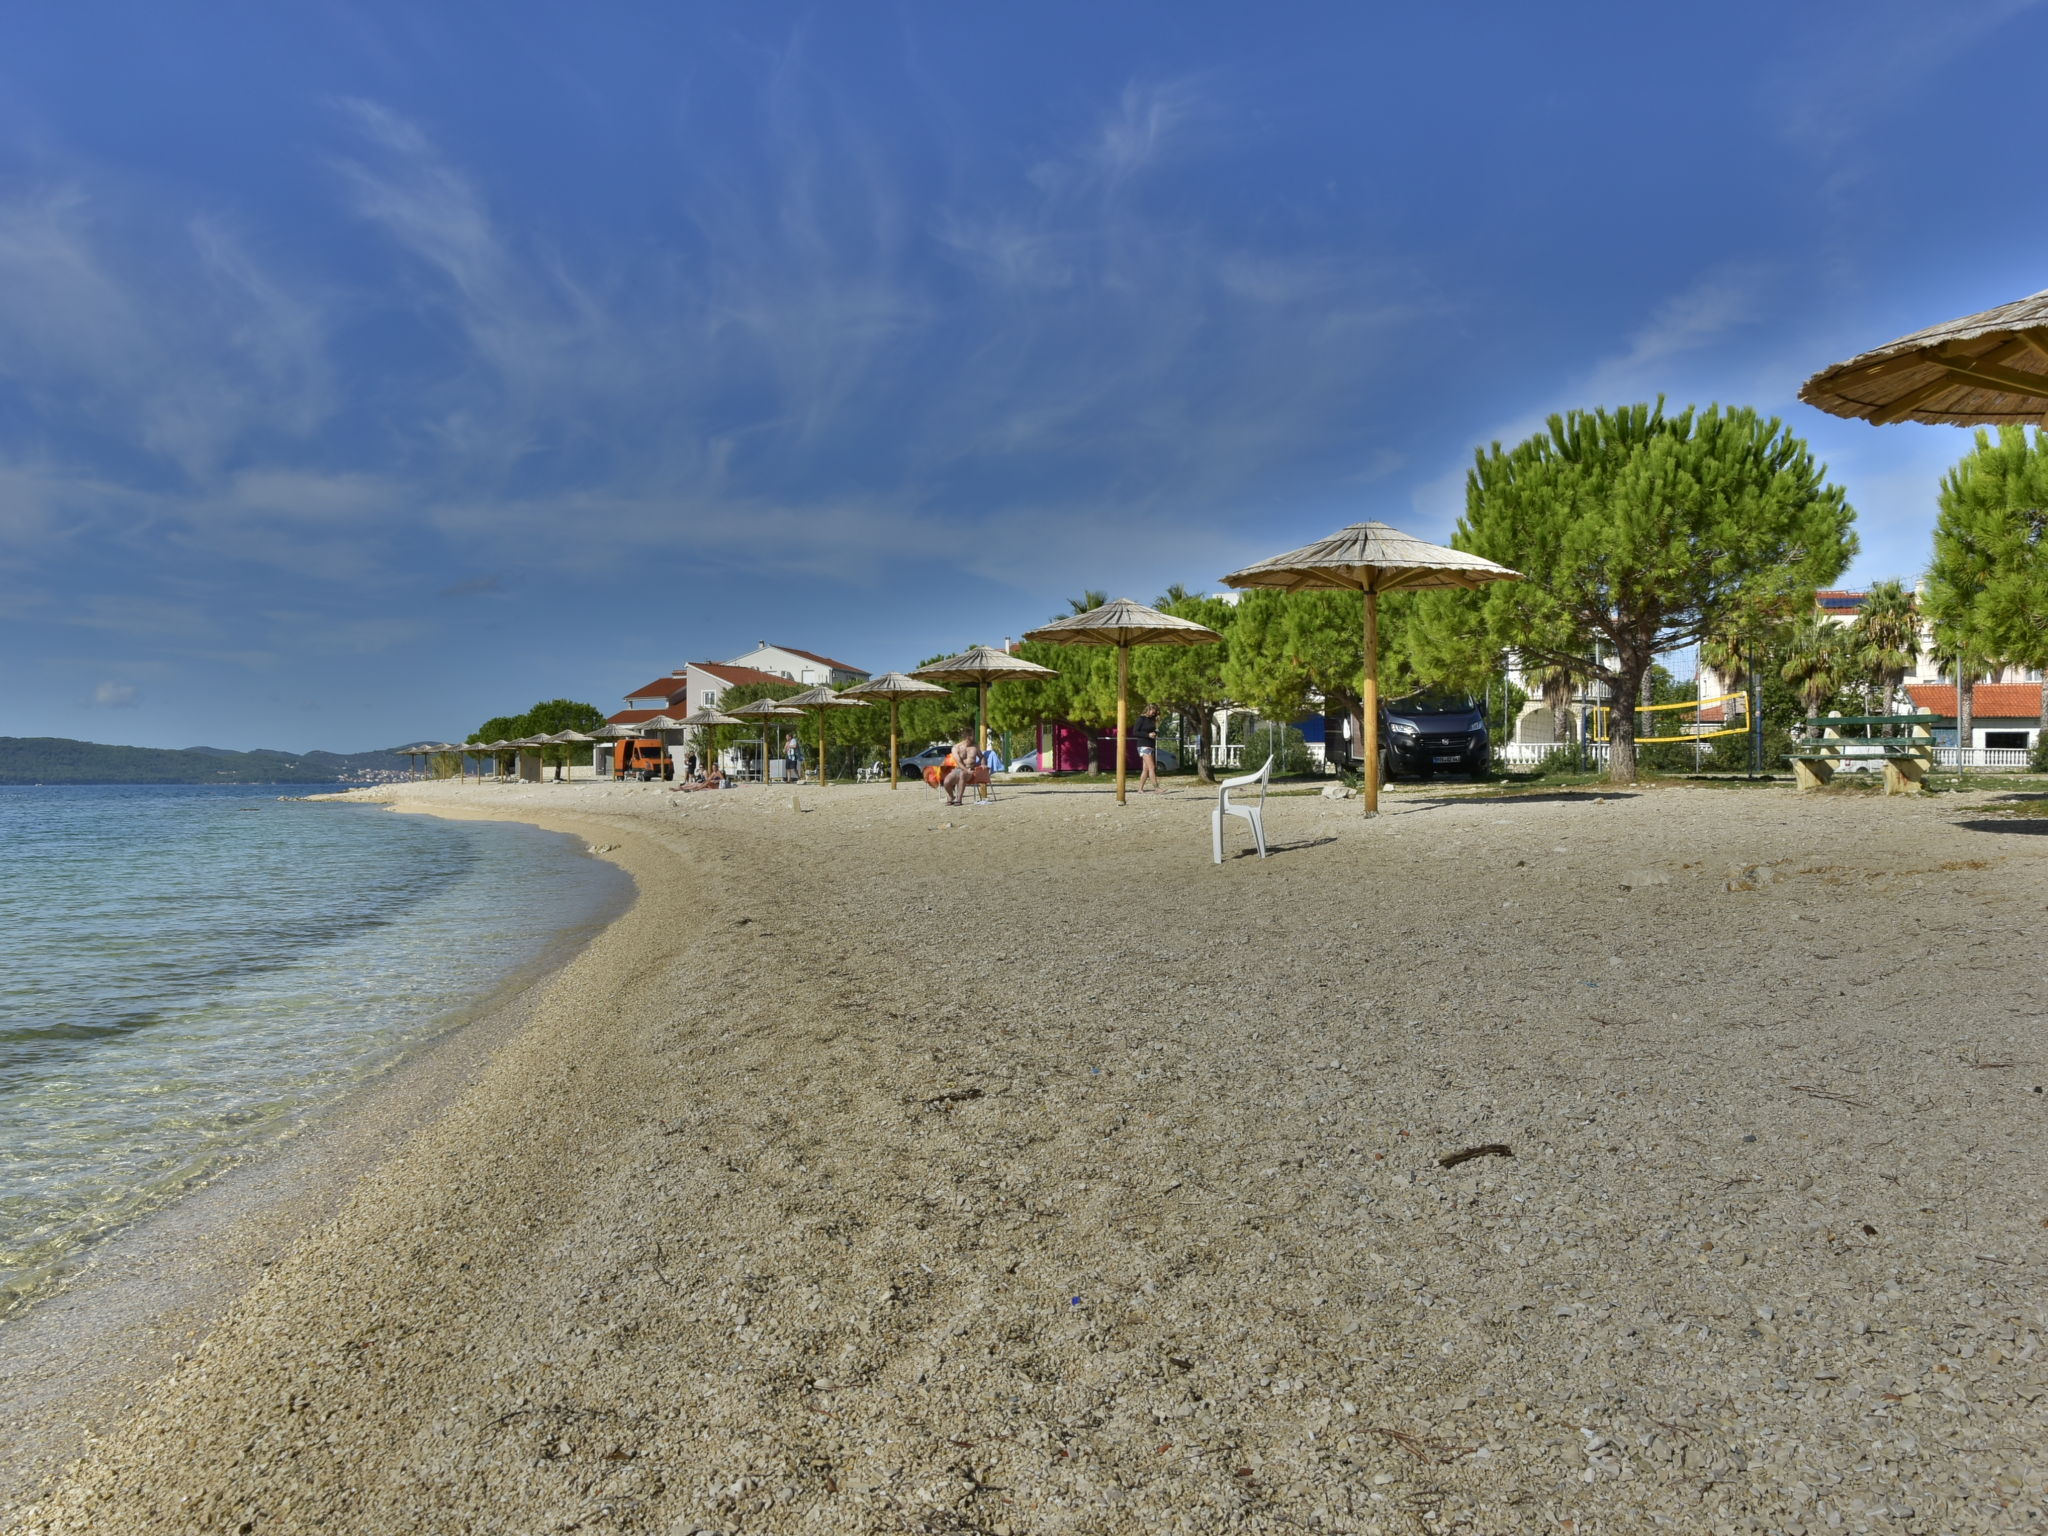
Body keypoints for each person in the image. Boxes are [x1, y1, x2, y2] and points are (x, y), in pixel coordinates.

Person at [939, 732, 976, 806]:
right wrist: (966, 770)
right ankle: (951, 796)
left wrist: (983, 763)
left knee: (962, 774)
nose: (973, 739)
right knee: (946, 781)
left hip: (970, 770)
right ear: (966, 738)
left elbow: (982, 757)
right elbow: (958, 762)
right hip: (958, 769)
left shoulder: (975, 746)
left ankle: (959, 799)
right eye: (971, 737)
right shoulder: (956, 748)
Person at [1134, 702, 1161, 792]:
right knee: (1152, 767)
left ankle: (1140, 789)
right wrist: (1148, 735)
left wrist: (1155, 733)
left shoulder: (1153, 720)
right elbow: (1135, 732)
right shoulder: (1141, 719)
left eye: (1155, 713)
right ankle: (1156, 788)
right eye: (1152, 712)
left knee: (1145, 769)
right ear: (1148, 710)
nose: (1153, 714)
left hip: (1150, 745)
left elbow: (1156, 730)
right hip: (1143, 745)